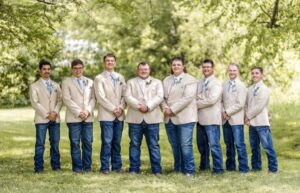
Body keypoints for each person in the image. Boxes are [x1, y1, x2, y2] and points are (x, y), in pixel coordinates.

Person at [125, 62, 163, 175]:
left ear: (149, 70)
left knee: (154, 145)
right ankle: (134, 169)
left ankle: (157, 170)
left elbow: (159, 97)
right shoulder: (130, 82)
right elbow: (127, 96)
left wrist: (148, 106)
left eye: (146, 69)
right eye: (141, 69)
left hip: (152, 118)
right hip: (135, 118)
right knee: (134, 144)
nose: (143, 71)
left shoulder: (157, 82)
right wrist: (139, 106)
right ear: (137, 70)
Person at [161, 57, 197, 176]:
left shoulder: (190, 79)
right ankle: (178, 168)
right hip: (169, 118)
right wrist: (165, 108)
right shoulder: (166, 80)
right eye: (174, 65)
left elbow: (187, 98)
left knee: (185, 145)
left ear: (183, 66)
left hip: (185, 117)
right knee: (175, 145)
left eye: (178, 65)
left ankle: (189, 170)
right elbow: (162, 98)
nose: (176, 66)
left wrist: (172, 109)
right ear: (171, 66)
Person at [94, 53, 126, 174]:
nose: (110, 63)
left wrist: (121, 108)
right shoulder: (99, 78)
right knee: (107, 142)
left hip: (120, 115)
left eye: (112, 61)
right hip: (107, 115)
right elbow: (100, 98)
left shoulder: (120, 77)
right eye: (107, 61)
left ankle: (117, 167)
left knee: (116, 142)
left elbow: (125, 95)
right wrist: (114, 109)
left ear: (115, 63)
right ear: (104, 63)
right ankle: (105, 167)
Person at [62, 59, 96, 173]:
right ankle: (77, 168)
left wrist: (87, 111)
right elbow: (67, 99)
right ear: (72, 69)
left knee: (88, 142)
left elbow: (93, 99)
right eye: (75, 68)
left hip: (88, 117)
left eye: (80, 68)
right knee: (75, 143)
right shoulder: (66, 82)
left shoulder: (90, 82)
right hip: (73, 117)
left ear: (83, 68)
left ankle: (87, 168)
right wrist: (79, 112)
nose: (78, 70)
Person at [29, 59, 62, 173]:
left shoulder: (56, 85)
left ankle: (56, 166)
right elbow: (35, 102)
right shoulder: (34, 86)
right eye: (44, 69)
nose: (47, 71)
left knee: (55, 143)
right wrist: (47, 114)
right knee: (40, 144)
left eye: (48, 69)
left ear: (51, 71)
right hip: (41, 118)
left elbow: (60, 101)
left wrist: (55, 112)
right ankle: (38, 168)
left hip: (55, 118)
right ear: (40, 70)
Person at [245, 66, 278, 173]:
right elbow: (246, 105)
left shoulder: (264, 89)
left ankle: (273, 169)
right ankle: (256, 167)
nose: (254, 75)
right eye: (253, 73)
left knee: (268, 147)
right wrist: (247, 117)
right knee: (254, 148)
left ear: (261, 75)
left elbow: (259, 106)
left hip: (262, 123)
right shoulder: (249, 89)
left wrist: (247, 116)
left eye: (257, 73)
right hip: (252, 124)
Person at [196, 59, 224, 174]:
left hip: (212, 119)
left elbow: (212, 100)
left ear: (213, 69)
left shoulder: (216, 83)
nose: (206, 69)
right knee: (201, 145)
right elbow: (196, 96)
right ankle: (204, 166)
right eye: (204, 67)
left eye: (208, 67)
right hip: (200, 118)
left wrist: (197, 102)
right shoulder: (200, 82)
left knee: (214, 145)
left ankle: (218, 169)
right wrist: (203, 97)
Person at [222, 63, 249, 173]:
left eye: (234, 70)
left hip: (236, 120)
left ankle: (243, 168)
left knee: (239, 144)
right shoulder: (224, 84)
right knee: (229, 144)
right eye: (230, 70)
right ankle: (230, 167)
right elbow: (221, 100)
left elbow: (241, 104)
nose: (232, 72)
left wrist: (228, 112)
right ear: (228, 71)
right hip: (225, 120)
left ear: (238, 71)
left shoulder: (241, 85)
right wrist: (223, 112)